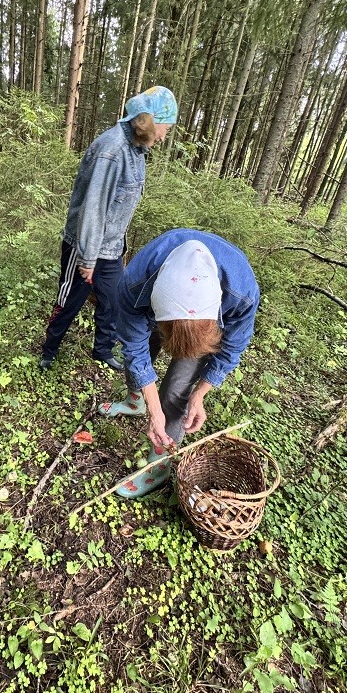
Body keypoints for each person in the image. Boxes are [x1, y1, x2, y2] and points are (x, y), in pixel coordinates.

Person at [99, 229, 260, 498]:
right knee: (139, 355)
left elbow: (233, 346)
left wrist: (199, 394)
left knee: (176, 390)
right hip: (151, 303)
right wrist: (152, 407)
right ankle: (134, 401)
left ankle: (159, 466)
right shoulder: (136, 282)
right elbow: (134, 345)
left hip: (213, 312)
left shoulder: (240, 293)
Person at [39, 86, 178, 372]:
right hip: (85, 246)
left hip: (111, 248)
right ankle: (48, 352)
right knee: (70, 302)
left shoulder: (136, 150)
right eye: (165, 128)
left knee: (114, 301)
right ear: (150, 121)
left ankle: (102, 350)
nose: (164, 136)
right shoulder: (112, 151)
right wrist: (88, 259)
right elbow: (94, 208)